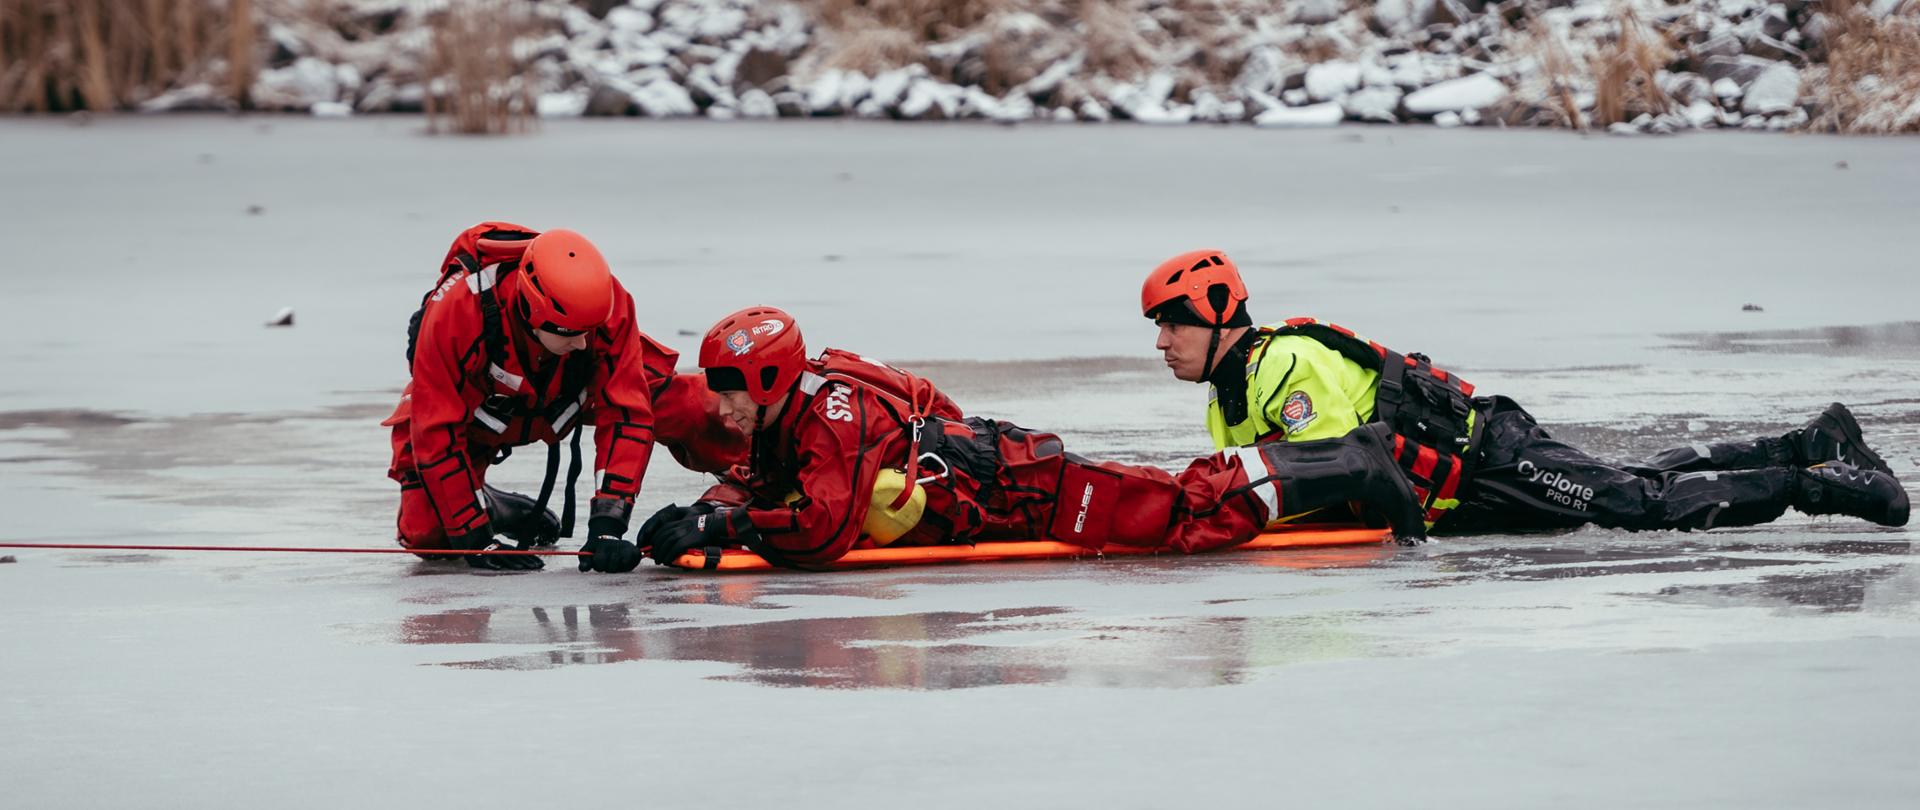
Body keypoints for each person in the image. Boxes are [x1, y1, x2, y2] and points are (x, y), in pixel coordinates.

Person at [1140, 248, 1910, 534]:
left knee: (1636, 506)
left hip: (1485, 457)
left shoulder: (1285, 365)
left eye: (1172, 324)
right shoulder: (1225, 399)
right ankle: (1807, 441)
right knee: (1631, 480)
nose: (1162, 343)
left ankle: (1823, 486)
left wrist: (1403, 545)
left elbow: (1358, 458)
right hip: (1463, 495)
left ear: (1213, 313)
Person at [634, 306, 1428, 569]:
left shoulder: (833, 417)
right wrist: (709, 504)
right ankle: (1331, 467)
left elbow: (823, 527)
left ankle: (1345, 461)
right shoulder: (795, 408)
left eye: (730, 394)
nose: (722, 411)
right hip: (993, 476)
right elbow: (769, 476)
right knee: (1177, 504)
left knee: (1183, 516)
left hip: (1028, 490)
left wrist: (719, 525)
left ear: (770, 383)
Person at [383, 222, 746, 572]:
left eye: (591, 331)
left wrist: (608, 523)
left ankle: (758, 474)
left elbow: (627, 415)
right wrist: (476, 538)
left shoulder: (607, 305)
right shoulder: (453, 316)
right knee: (428, 534)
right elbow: (436, 436)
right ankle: (492, 505)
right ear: (531, 312)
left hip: (569, 391)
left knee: (699, 406)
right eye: (572, 333)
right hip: (481, 411)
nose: (585, 343)